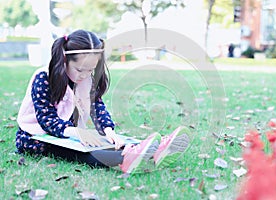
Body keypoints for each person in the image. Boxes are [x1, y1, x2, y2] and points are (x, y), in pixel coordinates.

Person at [15, 29, 192, 174]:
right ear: (64, 60)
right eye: (79, 69)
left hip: (68, 134)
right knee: (79, 151)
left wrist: (109, 130)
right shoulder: (44, 78)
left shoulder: (86, 80)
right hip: (35, 137)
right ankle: (125, 160)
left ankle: (153, 151)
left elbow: (97, 107)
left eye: (90, 70)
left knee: (105, 141)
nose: (84, 75)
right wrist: (77, 132)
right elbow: (46, 120)